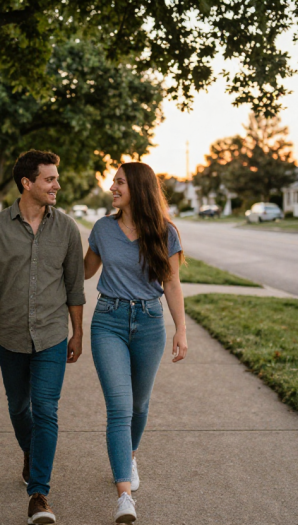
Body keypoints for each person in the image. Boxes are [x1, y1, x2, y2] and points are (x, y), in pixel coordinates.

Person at [0, 150, 85, 525]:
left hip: (52, 334)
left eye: (56, 178)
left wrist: (78, 332)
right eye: (50, 179)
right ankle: (30, 451)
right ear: (27, 183)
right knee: (20, 407)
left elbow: (74, 286)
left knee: (47, 410)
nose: (57, 185)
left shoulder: (67, 228)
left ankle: (39, 493)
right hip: (10, 336)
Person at [84, 162, 188, 523]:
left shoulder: (165, 232)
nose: (112, 187)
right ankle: (124, 496)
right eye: (113, 182)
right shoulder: (102, 229)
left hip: (148, 322)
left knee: (140, 404)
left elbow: (172, 284)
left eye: (119, 182)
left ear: (139, 188)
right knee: (119, 406)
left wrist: (182, 330)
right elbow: (83, 271)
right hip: (108, 321)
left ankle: (129, 456)